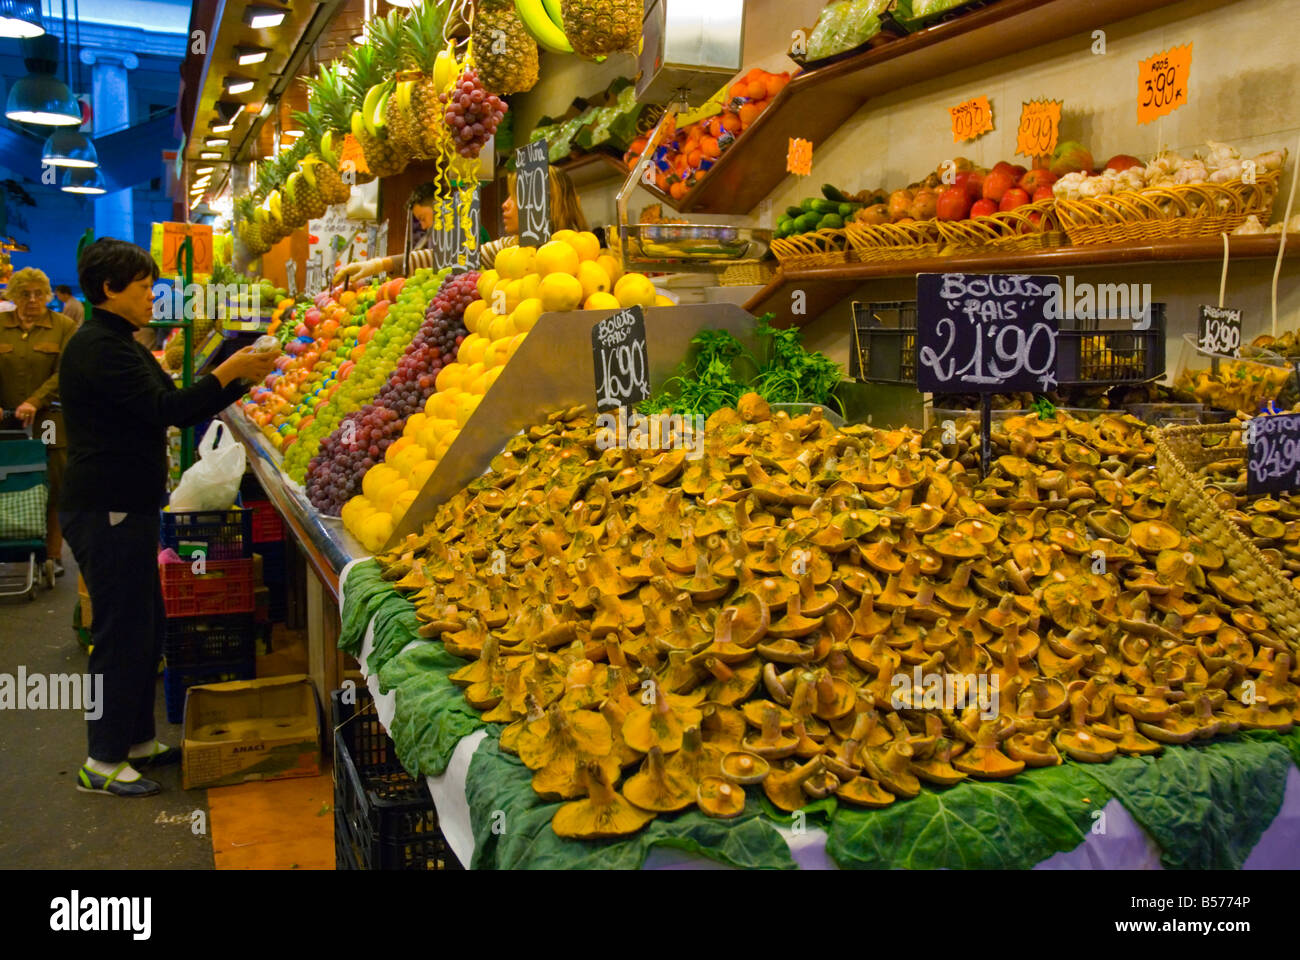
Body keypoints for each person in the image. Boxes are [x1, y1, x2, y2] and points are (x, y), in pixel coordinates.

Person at [59, 238, 280, 798]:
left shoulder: (121, 342)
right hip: (106, 504)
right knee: (119, 632)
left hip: (129, 502)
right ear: (111, 289)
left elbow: (176, 408)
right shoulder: (97, 348)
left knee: (145, 625)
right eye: (142, 285)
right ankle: (101, 760)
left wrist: (238, 381)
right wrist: (228, 369)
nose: (152, 294)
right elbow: (164, 411)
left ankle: (134, 741)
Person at [333, 166, 590, 283]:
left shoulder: (581, 254)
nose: (505, 204)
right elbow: (450, 258)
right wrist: (379, 264)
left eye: (516, 196)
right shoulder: (510, 248)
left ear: (543, 202)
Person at [0, 267, 77, 572]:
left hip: (48, 419)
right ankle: (10, 542)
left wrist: (35, 401)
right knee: (7, 479)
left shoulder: (64, 326)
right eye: (24, 293)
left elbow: (64, 373)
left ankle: (52, 552)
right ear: (13, 296)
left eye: (38, 294)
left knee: (52, 479)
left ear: (47, 295)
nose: (32, 300)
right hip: (5, 420)